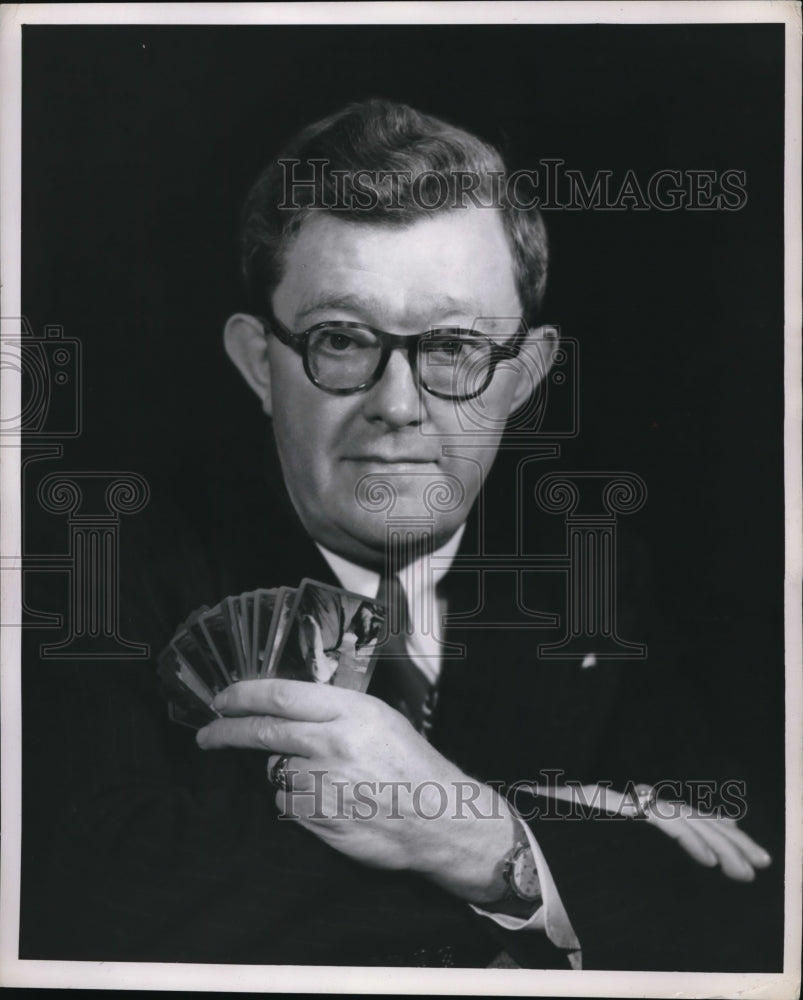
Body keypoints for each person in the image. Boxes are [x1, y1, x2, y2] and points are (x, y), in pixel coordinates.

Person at [19, 98, 776, 972]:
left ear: (525, 375)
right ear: (259, 363)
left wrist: (469, 826)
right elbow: (75, 916)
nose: (399, 404)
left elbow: (756, 901)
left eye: (454, 346)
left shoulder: (618, 578)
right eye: (341, 340)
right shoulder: (90, 569)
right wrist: (506, 839)